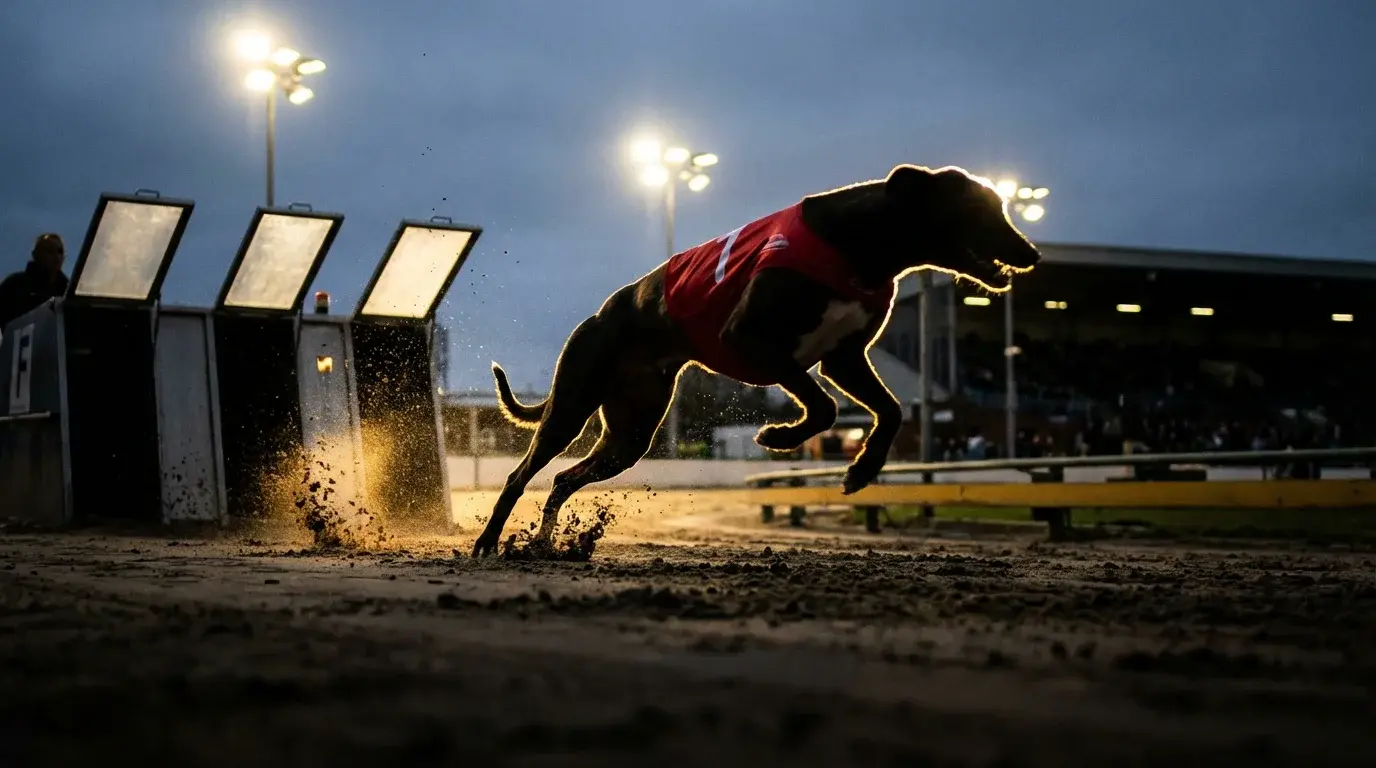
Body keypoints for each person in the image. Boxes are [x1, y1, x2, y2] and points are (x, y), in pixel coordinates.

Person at [0, 233, 69, 329]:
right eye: (50, 251)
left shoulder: (68, 291)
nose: (56, 257)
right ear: (35, 255)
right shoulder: (14, 285)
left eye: (60, 252)